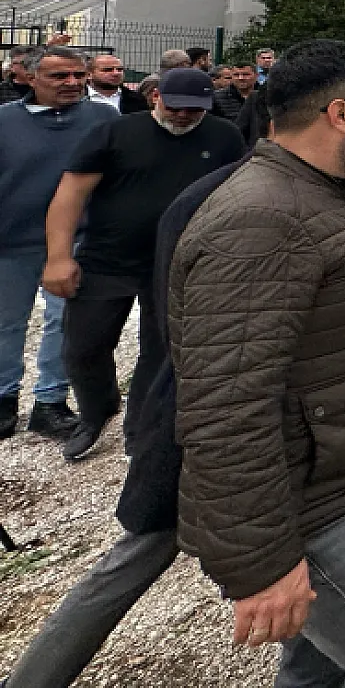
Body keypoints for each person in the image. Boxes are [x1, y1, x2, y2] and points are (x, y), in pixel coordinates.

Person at [169, 39, 345, 682]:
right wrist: (264, 565)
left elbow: (299, 318)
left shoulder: (325, 193)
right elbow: (225, 407)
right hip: (311, 501)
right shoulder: (262, 220)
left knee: (321, 662)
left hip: (340, 473)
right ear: (342, 114)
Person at [0, 153, 246, 688]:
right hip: (201, 425)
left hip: (231, 426)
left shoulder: (232, 179)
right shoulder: (224, 202)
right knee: (139, 552)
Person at [41, 68, 245, 463]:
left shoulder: (224, 136)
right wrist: (59, 257)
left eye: (194, 109)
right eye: (175, 107)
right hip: (107, 259)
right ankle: (96, 411)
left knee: (160, 350)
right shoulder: (115, 133)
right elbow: (70, 195)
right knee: (83, 346)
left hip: (177, 261)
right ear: (155, 97)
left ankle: (142, 428)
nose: (183, 116)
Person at [0, 47, 112, 444]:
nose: (72, 83)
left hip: (78, 239)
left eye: (79, 75)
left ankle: (50, 401)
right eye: (60, 76)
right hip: (12, 241)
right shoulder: (4, 121)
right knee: (6, 324)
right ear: (30, 78)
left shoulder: (103, 119)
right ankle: (3, 397)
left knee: (64, 322)